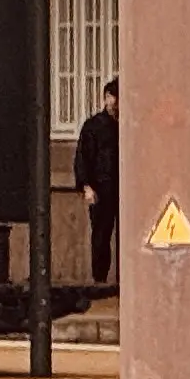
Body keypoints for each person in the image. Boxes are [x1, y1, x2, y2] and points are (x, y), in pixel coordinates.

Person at [74, 78, 121, 284]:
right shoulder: (93, 126)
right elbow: (83, 157)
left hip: (124, 188)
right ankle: (99, 279)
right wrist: (86, 186)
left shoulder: (128, 125)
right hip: (102, 189)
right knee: (101, 235)